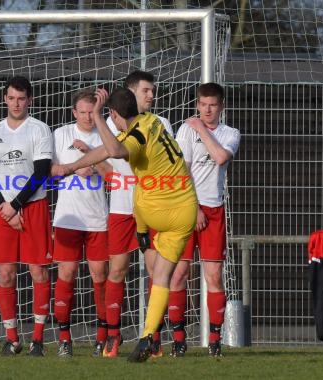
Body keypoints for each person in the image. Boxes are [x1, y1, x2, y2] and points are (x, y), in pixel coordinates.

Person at [52, 86, 198, 363]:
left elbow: (116, 150)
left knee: (139, 191)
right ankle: (147, 338)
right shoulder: (152, 121)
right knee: (162, 277)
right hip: (186, 209)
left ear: (115, 114)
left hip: (159, 211)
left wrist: (96, 115)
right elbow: (107, 151)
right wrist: (72, 167)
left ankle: (142, 233)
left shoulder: (135, 137)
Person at [0, 75, 53, 357]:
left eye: (22, 98)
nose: (16, 103)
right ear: (5, 99)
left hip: (32, 208)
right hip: (3, 210)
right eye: (12, 98)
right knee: (6, 274)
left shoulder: (39, 129)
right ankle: (12, 338)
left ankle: (37, 339)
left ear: (29, 100)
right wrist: (5, 209)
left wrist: (16, 205)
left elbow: (41, 171)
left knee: (38, 271)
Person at [102, 71, 174, 358]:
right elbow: (102, 162)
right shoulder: (109, 123)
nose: (151, 96)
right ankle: (112, 337)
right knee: (117, 270)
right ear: (131, 93)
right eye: (146, 91)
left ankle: (153, 336)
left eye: (152, 91)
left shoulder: (161, 123)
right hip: (121, 209)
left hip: (154, 208)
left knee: (156, 271)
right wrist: (116, 180)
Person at [170, 82, 240, 357]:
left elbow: (221, 156)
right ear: (197, 105)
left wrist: (202, 129)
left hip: (213, 210)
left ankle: (214, 340)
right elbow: (181, 170)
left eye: (213, 105)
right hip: (186, 207)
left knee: (213, 276)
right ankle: (178, 339)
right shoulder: (184, 130)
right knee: (179, 274)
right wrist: (191, 207)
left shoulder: (230, 133)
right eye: (203, 105)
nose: (207, 110)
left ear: (221, 107)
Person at [50, 89, 112, 358]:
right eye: (83, 112)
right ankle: (65, 338)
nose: (88, 116)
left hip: (98, 218)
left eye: (92, 111)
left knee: (100, 276)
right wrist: (76, 166)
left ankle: (102, 338)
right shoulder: (60, 134)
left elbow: (113, 178)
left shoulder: (105, 135)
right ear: (74, 112)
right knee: (67, 275)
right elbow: (49, 170)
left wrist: (93, 160)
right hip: (68, 217)